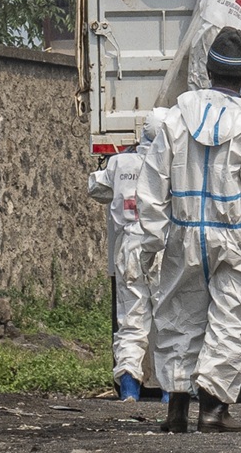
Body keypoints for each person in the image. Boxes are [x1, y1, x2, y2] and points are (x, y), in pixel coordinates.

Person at [136, 27, 241, 433]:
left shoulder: (175, 119)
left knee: (177, 318)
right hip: (235, 237)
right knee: (231, 319)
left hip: (182, 233)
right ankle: (213, 412)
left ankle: (175, 413)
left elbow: (152, 186)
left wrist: (151, 242)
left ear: (207, 68)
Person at [88, 107, 169, 402]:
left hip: (130, 248)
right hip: (163, 249)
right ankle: (169, 393)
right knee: (167, 320)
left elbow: (96, 188)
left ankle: (130, 388)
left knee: (131, 319)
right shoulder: (176, 164)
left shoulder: (120, 162)